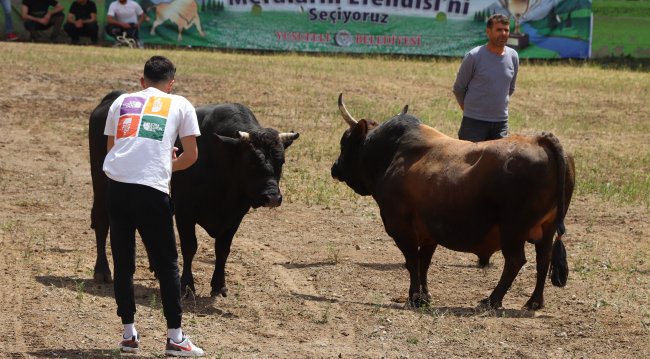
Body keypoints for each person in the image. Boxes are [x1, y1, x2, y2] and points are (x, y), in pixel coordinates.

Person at [103, 56, 205, 357]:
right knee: (167, 264)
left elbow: (115, 149)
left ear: (142, 81)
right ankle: (175, 338)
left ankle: (128, 335)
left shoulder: (120, 102)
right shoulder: (181, 104)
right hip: (151, 192)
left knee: (123, 263)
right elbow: (191, 156)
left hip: (117, 188)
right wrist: (166, 163)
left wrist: (155, 158)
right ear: (171, 84)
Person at [452, 13, 519, 142]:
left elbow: (510, 88)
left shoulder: (513, 56)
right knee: (469, 162)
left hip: (500, 124)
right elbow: (459, 88)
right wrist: (470, 110)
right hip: (474, 123)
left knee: (498, 162)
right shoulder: (474, 56)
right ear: (488, 32)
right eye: (499, 30)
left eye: (506, 30)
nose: (503, 33)